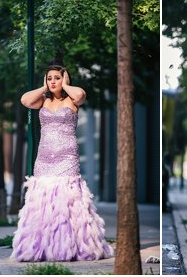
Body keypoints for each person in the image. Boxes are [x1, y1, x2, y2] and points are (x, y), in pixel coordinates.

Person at [11, 65, 114, 261]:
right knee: (44, 203)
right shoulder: (42, 101)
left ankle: (72, 247)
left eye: (56, 78)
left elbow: (80, 94)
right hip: (44, 159)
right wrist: (43, 88)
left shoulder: (72, 100)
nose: (52, 81)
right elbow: (25, 100)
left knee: (68, 201)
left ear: (64, 79)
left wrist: (65, 85)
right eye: (49, 78)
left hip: (67, 159)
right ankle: (42, 248)